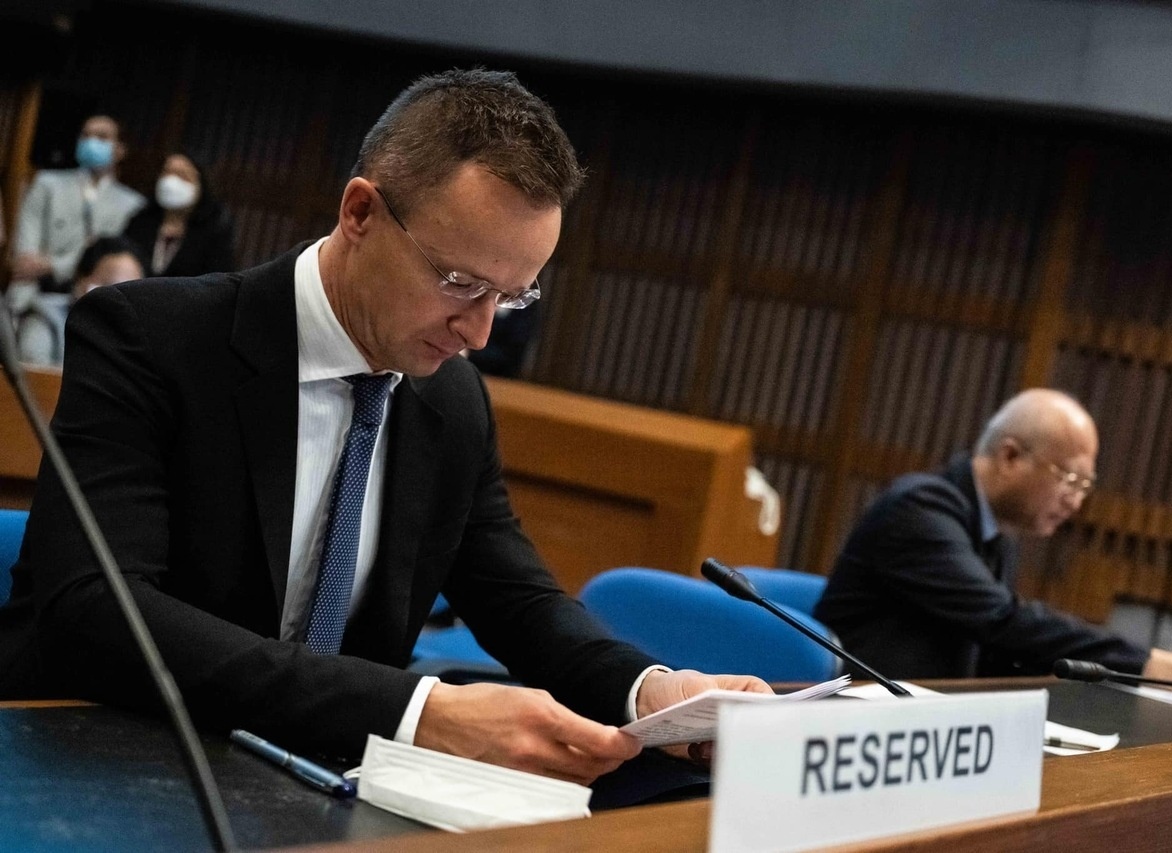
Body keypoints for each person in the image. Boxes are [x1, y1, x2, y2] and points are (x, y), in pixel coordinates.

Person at [0, 69, 767, 786]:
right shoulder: (151, 337)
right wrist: (416, 711)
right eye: (460, 282)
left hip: (304, 788)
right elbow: (96, 610)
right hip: (89, 760)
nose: (478, 332)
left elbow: (518, 599)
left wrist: (650, 690)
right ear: (360, 212)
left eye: (511, 297)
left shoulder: (452, 400)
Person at [815, 388, 1172, 690]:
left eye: (1085, 486)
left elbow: (997, 649)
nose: (1075, 502)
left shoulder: (995, 533)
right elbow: (1002, 620)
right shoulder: (920, 509)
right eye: (1070, 479)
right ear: (1010, 456)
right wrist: (1154, 664)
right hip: (854, 725)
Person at [8, 115, 145, 307]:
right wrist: (29, 264)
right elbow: (27, 239)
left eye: (102, 137)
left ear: (120, 150)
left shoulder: (132, 204)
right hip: (34, 292)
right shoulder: (47, 183)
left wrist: (53, 266)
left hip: (89, 299)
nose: (91, 142)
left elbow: (110, 257)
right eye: (86, 135)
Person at [13, 235, 144, 365]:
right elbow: (35, 373)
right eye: (112, 291)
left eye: (131, 296)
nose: (121, 304)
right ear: (80, 280)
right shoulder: (44, 317)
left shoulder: (141, 339)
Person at [124, 151, 236, 278]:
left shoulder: (214, 231)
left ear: (201, 185)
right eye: (167, 172)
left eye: (183, 175)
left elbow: (218, 277)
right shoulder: (140, 222)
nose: (171, 181)